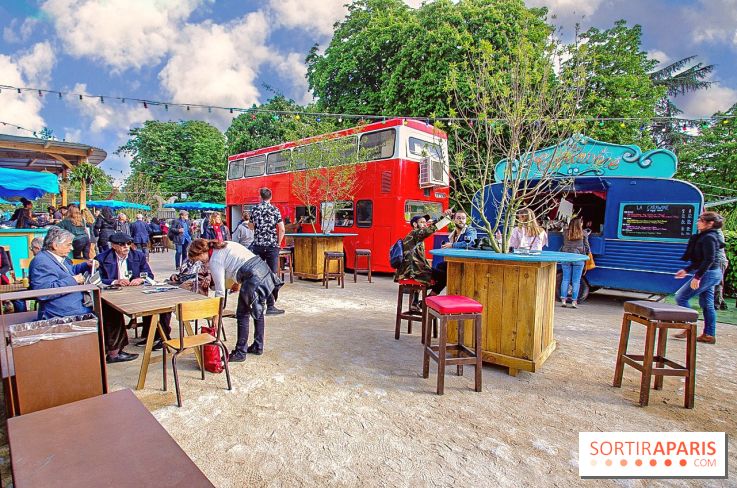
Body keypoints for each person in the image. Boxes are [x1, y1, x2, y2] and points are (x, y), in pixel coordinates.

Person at [187, 238, 283, 362]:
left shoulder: (215, 259)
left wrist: (217, 315)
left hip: (252, 277)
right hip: (263, 271)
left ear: (201, 253)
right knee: (258, 311)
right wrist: (236, 282)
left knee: (242, 314)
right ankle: (258, 346)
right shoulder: (224, 245)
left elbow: (220, 291)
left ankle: (240, 352)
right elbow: (238, 262)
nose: (200, 262)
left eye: (198, 259)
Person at [96, 232, 172, 353]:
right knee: (108, 308)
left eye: (129, 243)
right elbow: (97, 279)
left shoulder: (138, 256)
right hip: (114, 293)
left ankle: (156, 336)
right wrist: (115, 281)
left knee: (161, 302)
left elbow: (149, 274)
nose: (126, 247)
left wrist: (140, 279)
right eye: (122, 244)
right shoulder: (102, 258)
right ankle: (115, 348)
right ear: (114, 246)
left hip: (136, 291)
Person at [673, 212, 725, 345]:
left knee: (681, 297)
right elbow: (701, 260)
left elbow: (709, 260)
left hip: (709, 274)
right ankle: (709, 334)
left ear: (710, 223)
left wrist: (697, 277)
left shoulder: (709, 237)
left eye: (701, 220)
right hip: (712, 273)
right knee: (707, 304)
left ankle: (688, 326)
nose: (698, 222)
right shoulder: (705, 236)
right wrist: (686, 270)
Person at [28, 228, 93, 319]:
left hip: (73, 307)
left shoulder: (56, 257)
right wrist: (73, 280)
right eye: (68, 245)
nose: (71, 248)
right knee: (110, 316)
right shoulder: (42, 262)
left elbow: (68, 271)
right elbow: (43, 292)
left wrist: (85, 265)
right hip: (62, 314)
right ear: (55, 245)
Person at [395, 210, 453, 312]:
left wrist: (443, 217)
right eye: (422, 222)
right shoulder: (415, 233)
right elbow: (430, 229)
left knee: (439, 267)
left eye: (425, 222)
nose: (425, 224)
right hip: (413, 271)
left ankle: (415, 301)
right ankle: (427, 301)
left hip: (413, 269)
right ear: (414, 224)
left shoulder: (417, 237)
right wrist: (446, 219)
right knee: (446, 276)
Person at [250, 188, 285, 315]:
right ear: (271, 197)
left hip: (258, 245)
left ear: (260, 196)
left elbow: (250, 226)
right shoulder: (275, 210)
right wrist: (278, 244)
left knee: (257, 275)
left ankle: (257, 303)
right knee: (271, 276)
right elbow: (281, 229)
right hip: (271, 246)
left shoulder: (254, 209)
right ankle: (270, 306)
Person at [558, 217, 590, 308]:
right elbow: (587, 247)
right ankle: (574, 302)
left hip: (566, 257)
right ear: (580, 224)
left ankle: (563, 300)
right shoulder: (583, 233)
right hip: (578, 258)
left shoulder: (565, 232)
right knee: (576, 281)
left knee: (565, 279)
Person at [714, 229, 729, 311]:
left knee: (717, 283)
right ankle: (721, 302)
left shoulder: (716, 232)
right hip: (716, 261)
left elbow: (720, 245)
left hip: (719, 261)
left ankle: (717, 304)